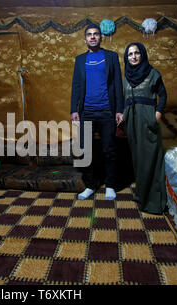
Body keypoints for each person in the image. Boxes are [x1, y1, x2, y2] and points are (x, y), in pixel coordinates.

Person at [70, 24, 124, 200]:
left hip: (107, 111)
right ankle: (91, 185)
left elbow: (117, 84)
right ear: (85, 39)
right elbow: (76, 86)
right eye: (89, 35)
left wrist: (119, 110)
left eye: (96, 34)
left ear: (100, 37)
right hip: (86, 112)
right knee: (86, 150)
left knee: (109, 149)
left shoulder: (111, 56)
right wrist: (73, 110)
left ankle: (110, 185)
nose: (93, 37)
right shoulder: (80, 60)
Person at [122, 42, 167, 214]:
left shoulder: (152, 73)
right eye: (130, 54)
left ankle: (154, 202)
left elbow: (162, 94)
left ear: (142, 55)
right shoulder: (126, 76)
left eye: (137, 53)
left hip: (148, 117)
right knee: (138, 158)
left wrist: (158, 113)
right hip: (131, 120)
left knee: (150, 158)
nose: (133, 57)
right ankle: (142, 195)